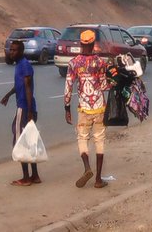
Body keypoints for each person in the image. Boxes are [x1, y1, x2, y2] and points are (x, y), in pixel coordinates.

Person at [64, 29, 110, 189]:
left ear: (81, 43)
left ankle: (87, 168)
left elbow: (68, 86)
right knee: (99, 140)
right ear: (93, 44)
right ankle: (98, 179)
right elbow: (104, 85)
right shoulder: (100, 62)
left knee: (82, 138)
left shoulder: (74, 63)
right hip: (99, 108)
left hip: (83, 108)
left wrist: (67, 107)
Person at [0, 40, 40, 186]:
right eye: (11, 50)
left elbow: (28, 88)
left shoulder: (24, 66)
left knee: (20, 143)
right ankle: (35, 175)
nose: (12, 52)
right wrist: (8, 95)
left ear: (21, 51)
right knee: (29, 142)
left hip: (24, 108)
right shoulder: (20, 65)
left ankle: (26, 178)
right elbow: (19, 86)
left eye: (15, 50)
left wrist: (28, 112)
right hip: (26, 108)